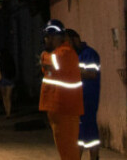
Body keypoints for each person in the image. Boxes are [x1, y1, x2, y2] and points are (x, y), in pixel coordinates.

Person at [40, 19, 84, 160]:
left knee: (68, 150)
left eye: (46, 37)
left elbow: (49, 62)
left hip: (65, 107)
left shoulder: (65, 53)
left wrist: (43, 56)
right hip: (57, 107)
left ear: (53, 37)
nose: (45, 41)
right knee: (64, 149)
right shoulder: (59, 53)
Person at [67, 29, 101, 160]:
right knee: (78, 134)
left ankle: (94, 157)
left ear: (74, 39)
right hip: (77, 99)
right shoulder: (73, 55)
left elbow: (92, 74)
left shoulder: (89, 54)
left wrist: (72, 71)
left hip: (88, 99)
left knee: (89, 132)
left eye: (67, 42)